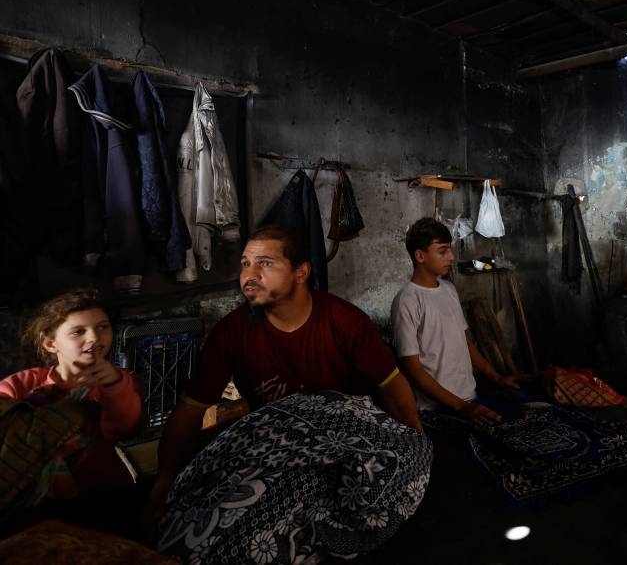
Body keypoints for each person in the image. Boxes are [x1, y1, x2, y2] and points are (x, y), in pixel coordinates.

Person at [144, 225, 423, 534]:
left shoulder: (345, 321)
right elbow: (190, 409)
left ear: (301, 272)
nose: (249, 275)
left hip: (348, 447)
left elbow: (392, 386)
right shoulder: (230, 334)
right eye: (245, 264)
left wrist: (416, 445)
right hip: (278, 451)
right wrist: (165, 479)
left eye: (265, 263)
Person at [0, 289, 143, 498]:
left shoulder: (121, 381)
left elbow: (125, 429)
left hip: (99, 491)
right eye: (78, 332)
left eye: (103, 327)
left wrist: (114, 385)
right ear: (50, 344)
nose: (94, 338)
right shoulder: (22, 384)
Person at [392, 218, 522, 428]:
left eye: (449, 249)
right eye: (442, 251)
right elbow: (412, 369)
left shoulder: (449, 290)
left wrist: (496, 378)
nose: (451, 257)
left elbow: (463, 340)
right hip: (436, 408)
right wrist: (461, 407)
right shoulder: (407, 301)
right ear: (420, 256)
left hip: (469, 398)